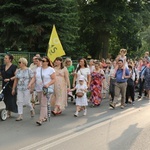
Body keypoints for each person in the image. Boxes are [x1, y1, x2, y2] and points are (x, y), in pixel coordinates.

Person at [28, 56, 55, 125]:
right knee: (41, 103)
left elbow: (54, 79)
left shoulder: (50, 70)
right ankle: (45, 116)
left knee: (43, 104)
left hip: (46, 89)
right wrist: (30, 84)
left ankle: (40, 119)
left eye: (43, 61)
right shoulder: (38, 69)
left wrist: (48, 84)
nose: (41, 62)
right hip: (39, 88)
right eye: (41, 61)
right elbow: (34, 78)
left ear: (47, 62)